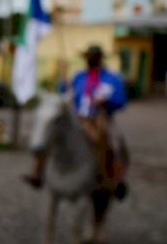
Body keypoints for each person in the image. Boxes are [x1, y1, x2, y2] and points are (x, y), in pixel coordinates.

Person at [24, 45, 128, 197]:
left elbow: (121, 100)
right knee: (49, 133)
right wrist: (63, 81)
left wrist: (107, 102)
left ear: (99, 59)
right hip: (77, 117)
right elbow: (65, 94)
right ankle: (37, 173)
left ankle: (115, 180)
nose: (90, 60)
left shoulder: (112, 79)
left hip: (100, 118)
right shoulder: (79, 77)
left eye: (93, 57)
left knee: (114, 143)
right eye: (88, 57)